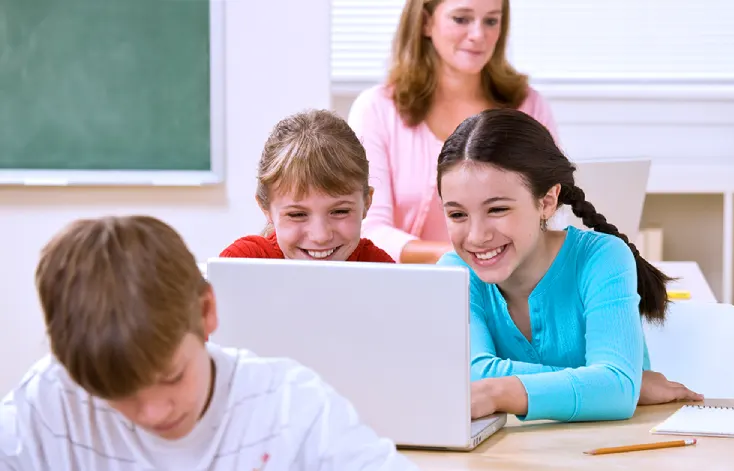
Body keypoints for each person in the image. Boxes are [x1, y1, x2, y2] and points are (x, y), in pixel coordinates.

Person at [0, 215, 418, 470]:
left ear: (206, 313)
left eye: (171, 375)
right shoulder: (49, 405)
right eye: (119, 395)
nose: (153, 412)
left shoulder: (292, 409)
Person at [435, 108, 703, 423]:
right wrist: (614, 385)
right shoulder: (454, 272)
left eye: (497, 209)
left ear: (547, 201)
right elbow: (473, 375)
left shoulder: (603, 258)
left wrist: (497, 392)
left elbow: (482, 384)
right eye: (457, 214)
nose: (477, 236)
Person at [347, 0, 559, 265]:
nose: (478, 35)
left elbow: (548, 215)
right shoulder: (376, 110)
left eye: (491, 20)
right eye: (461, 19)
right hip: (406, 286)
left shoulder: (528, 105)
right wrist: (467, 258)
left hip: (507, 290)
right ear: (426, 22)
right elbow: (369, 229)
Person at [220, 109, 394, 263]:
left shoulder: (381, 269)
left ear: (367, 202)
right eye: (297, 214)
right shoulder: (243, 263)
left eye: (340, 211)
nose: (320, 236)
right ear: (266, 209)